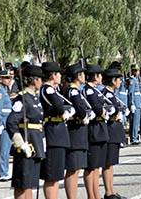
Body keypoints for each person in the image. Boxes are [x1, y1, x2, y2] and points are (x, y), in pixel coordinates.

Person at [6, 65, 46, 199]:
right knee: (22, 185)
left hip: (36, 144)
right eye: (40, 79)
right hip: (26, 145)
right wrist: (21, 144)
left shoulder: (34, 98)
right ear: (34, 80)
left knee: (29, 184)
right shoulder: (22, 99)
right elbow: (11, 122)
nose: (41, 81)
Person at [40, 62, 74, 199]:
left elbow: (68, 105)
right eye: (58, 73)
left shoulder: (54, 90)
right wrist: (66, 111)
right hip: (53, 134)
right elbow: (60, 107)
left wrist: (68, 110)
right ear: (53, 75)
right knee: (52, 176)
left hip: (59, 134)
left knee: (56, 176)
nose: (60, 76)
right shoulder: (47, 90)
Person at [63, 62, 94, 199]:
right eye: (81, 73)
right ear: (76, 76)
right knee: (73, 169)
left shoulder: (77, 91)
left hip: (80, 131)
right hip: (74, 132)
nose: (84, 76)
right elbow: (80, 109)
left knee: (76, 169)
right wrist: (86, 115)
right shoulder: (73, 91)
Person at [84, 64, 110, 199]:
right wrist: (104, 112)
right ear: (95, 77)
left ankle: (96, 195)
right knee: (91, 167)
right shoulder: (88, 90)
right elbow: (96, 107)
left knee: (97, 167)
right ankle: (91, 195)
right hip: (94, 128)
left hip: (100, 127)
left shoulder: (95, 90)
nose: (101, 78)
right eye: (99, 75)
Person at [102, 68, 127, 199]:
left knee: (111, 163)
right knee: (108, 162)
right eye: (118, 79)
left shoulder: (111, 93)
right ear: (113, 80)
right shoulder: (106, 93)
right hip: (110, 129)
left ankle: (111, 190)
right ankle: (108, 191)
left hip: (115, 129)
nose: (120, 82)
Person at [0, 69, 13, 181]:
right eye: (6, 78)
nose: (9, 79)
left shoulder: (4, 90)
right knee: (4, 149)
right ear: (0, 79)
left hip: (6, 122)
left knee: (5, 148)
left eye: (9, 77)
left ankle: (2, 172)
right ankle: (3, 172)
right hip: (4, 124)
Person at [127, 63, 141, 144]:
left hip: (138, 103)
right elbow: (131, 93)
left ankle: (135, 136)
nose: (137, 72)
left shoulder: (137, 80)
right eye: (135, 71)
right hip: (135, 104)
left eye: (137, 71)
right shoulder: (132, 80)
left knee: (137, 122)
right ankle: (134, 138)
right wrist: (131, 103)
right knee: (135, 122)